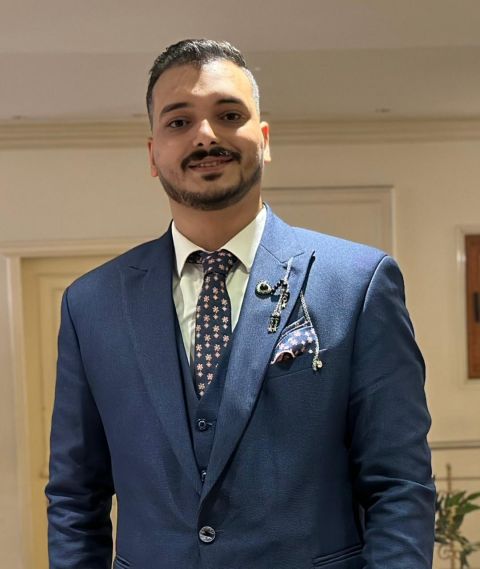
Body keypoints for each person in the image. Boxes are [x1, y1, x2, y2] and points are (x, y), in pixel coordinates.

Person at [46, 39, 436, 569]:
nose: (206, 135)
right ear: (153, 154)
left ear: (264, 139)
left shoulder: (358, 283)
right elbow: (75, 497)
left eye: (229, 115)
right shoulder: (90, 305)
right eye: (179, 121)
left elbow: (399, 485)